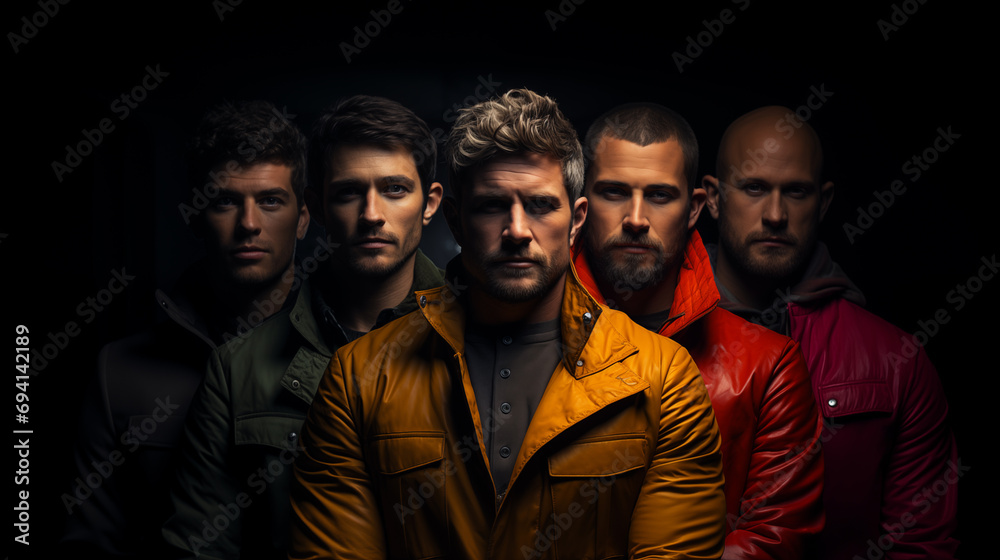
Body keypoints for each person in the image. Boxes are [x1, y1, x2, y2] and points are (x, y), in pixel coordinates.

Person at [289, 88, 726, 560]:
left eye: (540, 205)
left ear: (576, 219)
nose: (517, 231)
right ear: (455, 222)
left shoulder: (663, 378)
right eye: (492, 206)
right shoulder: (358, 377)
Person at [161, 94, 445, 560]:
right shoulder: (236, 372)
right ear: (315, 206)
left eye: (394, 189)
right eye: (349, 192)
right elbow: (200, 548)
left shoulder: (482, 339)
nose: (371, 214)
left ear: (429, 203)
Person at [702, 105, 959, 559]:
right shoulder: (655, 334)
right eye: (755, 187)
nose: (775, 214)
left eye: (795, 192)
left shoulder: (895, 359)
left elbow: (920, 545)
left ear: (822, 202)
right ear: (714, 198)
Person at [59, 99, 311, 558]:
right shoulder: (119, 372)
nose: (249, 224)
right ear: (195, 216)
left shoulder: (349, 354)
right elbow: (89, 545)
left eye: (270, 200)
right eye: (225, 201)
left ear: (303, 219)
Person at [572, 102, 824, 559]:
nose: (635, 218)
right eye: (613, 192)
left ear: (695, 209)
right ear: (581, 206)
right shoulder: (531, 333)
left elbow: (778, 533)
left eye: (660, 196)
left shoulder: (768, 365)